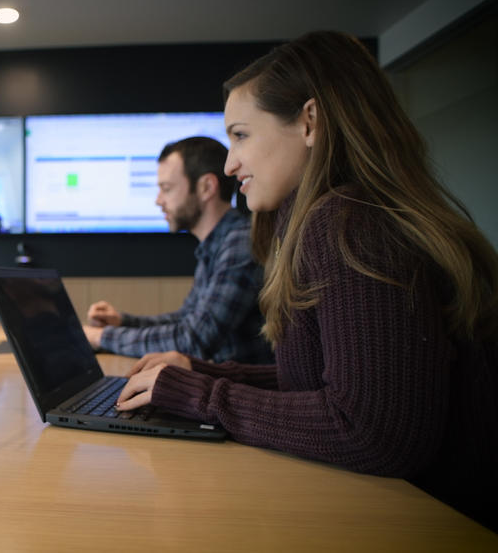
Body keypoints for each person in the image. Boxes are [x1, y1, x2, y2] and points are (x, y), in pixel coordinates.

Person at [116, 31, 498, 531]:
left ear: (310, 122)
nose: (230, 164)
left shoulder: (349, 223)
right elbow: (337, 379)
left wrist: (201, 396)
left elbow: (370, 430)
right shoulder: (347, 215)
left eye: (241, 135)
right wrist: (201, 371)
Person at [83, 137, 272, 364]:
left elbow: (194, 340)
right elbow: (186, 320)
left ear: (206, 187)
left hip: (242, 391)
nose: (158, 200)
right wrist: (122, 321)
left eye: (167, 189)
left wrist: (101, 337)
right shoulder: (217, 244)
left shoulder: (240, 244)